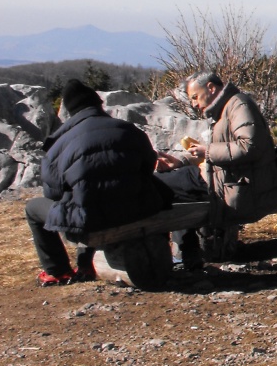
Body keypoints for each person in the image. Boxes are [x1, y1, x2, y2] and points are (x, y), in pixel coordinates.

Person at [27, 79, 174, 285]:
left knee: (35, 208)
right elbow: (148, 166)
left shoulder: (59, 144)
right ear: (98, 104)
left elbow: (52, 193)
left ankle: (58, 270)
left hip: (90, 219)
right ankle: (86, 264)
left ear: (70, 112)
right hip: (140, 208)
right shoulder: (128, 129)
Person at [156, 72, 277, 219]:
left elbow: (249, 146)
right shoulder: (222, 111)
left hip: (237, 187)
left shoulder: (239, 105)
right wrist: (181, 162)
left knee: (158, 184)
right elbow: (223, 151)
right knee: (166, 183)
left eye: (195, 97)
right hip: (226, 180)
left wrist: (207, 151)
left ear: (211, 88)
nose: (194, 105)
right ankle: (188, 241)